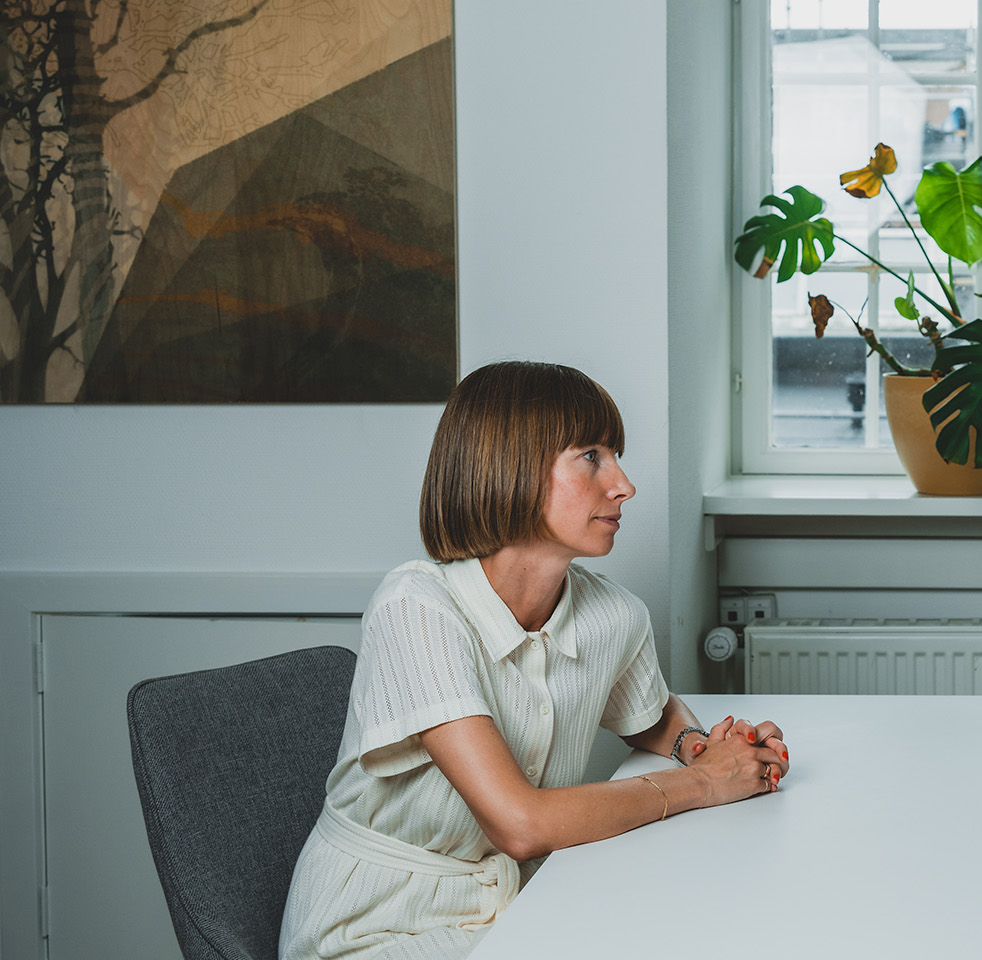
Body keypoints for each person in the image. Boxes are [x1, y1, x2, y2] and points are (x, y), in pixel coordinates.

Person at [280, 361, 790, 960]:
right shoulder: (415, 609)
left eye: (616, 456)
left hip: (519, 906)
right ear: (510, 468)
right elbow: (519, 825)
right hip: (375, 926)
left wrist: (703, 747)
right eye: (591, 456)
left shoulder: (615, 615)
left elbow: (651, 715)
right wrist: (703, 782)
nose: (624, 485)